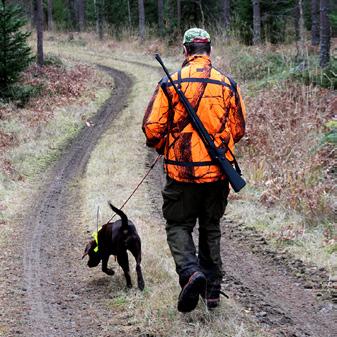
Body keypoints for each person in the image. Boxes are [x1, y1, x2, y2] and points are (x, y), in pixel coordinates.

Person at [142, 28, 246, 312]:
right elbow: (238, 130)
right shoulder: (228, 85)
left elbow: (151, 130)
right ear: (208, 50)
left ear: (185, 51)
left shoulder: (170, 83)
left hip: (181, 175)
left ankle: (191, 273)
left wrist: (166, 144)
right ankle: (212, 291)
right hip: (217, 176)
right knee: (210, 227)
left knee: (178, 224)